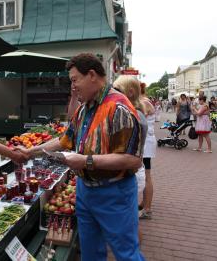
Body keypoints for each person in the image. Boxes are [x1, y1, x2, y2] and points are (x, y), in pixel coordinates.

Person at [19, 54, 145, 261]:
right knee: (90, 252)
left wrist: (86, 161)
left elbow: (133, 159)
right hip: (85, 191)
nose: (73, 86)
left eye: (75, 80)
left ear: (92, 75)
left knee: (126, 254)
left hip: (115, 192)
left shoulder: (119, 107)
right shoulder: (84, 109)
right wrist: (29, 152)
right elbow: (63, 141)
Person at [113, 75, 148, 244]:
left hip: (130, 174)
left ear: (131, 92)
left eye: (118, 90)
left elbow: (130, 156)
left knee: (129, 226)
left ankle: (133, 251)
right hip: (129, 173)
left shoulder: (135, 115)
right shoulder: (132, 112)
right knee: (130, 222)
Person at [139, 82, 157, 219]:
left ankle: (147, 209)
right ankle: (145, 203)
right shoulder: (145, 101)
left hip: (145, 143)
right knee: (146, 174)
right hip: (147, 141)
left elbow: (140, 119)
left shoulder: (143, 102)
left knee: (146, 175)